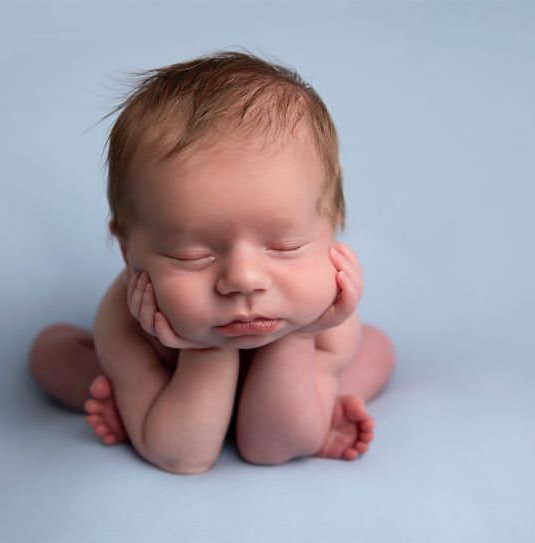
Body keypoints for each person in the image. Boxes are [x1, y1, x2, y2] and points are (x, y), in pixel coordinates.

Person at [29, 51, 395, 475]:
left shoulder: (324, 314)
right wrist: (203, 347)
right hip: (171, 387)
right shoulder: (126, 320)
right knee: (51, 349)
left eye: (285, 246)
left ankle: (320, 402)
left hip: (285, 397)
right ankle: (138, 402)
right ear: (129, 252)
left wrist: (301, 337)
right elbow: (181, 455)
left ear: (334, 228)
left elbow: (269, 449)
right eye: (192, 256)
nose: (243, 279)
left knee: (376, 347)